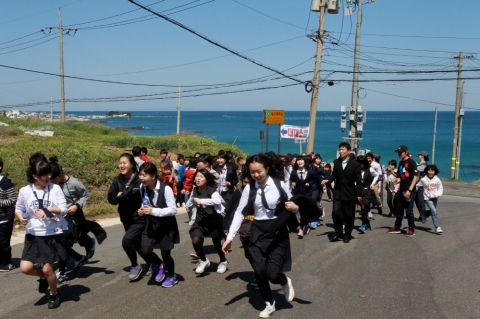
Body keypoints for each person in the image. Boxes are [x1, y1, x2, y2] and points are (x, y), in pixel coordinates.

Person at [222, 154, 297, 318]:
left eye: (259, 171)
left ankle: (284, 281)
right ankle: (269, 304)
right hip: (257, 230)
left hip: (277, 231)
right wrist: (229, 238)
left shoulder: (280, 185)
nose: (256, 175)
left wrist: (294, 207)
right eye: (252, 172)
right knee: (260, 271)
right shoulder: (250, 188)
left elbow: (292, 204)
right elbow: (239, 213)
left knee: (273, 275)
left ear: (267, 168)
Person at [15, 153, 68, 309]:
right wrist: (20, 217)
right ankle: (44, 278)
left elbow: (64, 210)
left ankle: (54, 294)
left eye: (49, 174)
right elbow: (19, 208)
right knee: (25, 268)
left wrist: (50, 209)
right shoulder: (25, 191)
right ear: (34, 176)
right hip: (33, 234)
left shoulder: (55, 188)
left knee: (48, 269)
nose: (48, 177)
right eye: (44, 175)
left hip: (51, 233)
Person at [49, 157, 107, 282]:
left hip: (74, 215)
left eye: (54, 179)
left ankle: (83, 249)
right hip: (60, 216)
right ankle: (69, 266)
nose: (53, 182)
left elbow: (86, 195)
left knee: (64, 242)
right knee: (61, 243)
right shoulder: (53, 185)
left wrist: (76, 205)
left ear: (60, 174)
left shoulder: (74, 183)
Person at [138, 162, 180, 287]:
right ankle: (160, 265)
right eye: (140, 175)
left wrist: (154, 211)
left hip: (166, 225)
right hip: (151, 224)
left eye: (144, 175)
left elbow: (173, 210)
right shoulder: (142, 187)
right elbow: (145, 202)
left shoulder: (165, 188)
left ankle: (172, 276)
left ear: (153, 176)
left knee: (166, 254)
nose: (141, 178)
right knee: (145, 250)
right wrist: (142, 210)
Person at [108, 153, 147, 280]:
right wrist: (118, 197)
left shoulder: (139, 180)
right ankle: (152, 262)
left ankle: (135, 265)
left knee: (127, 242)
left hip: (139, 217)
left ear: (132, 164)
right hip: (125, 217)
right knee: (136, 243)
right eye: (120, 163)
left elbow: (145, 196)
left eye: (124, 163)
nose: (121, 165)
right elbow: (111, 199)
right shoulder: (117, 180)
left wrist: (124, 195)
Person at [187, 169, 228, 274]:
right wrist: (188, 206)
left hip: (214, 221)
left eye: (201, 176)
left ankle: (223, 261)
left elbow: (217, 201)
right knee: (195, 240)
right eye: (197, 176)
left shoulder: (211, 190)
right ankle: (204, 260)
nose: (198, 178)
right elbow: (192, 199)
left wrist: (202, 201)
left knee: (217, 244)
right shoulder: (195, 189)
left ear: (207, 179)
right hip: (200, 221)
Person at [322, 142, 362, 243]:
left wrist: (359, 194)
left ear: (348, 151)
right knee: (335, 212)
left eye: (343, 149)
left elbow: (358, 180)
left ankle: (347, 234)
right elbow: (334, 175)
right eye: (340, 149)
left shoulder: (355, 164)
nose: (340, 151)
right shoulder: (336, 162)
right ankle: (338, 232)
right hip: (338, 191)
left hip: (349, 192)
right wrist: (328, 180)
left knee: (349, 215)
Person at [387, 145, 418, 237]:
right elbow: (398, 175)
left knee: (408, 210)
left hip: (409, 190)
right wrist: (391, 171)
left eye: (401, 152)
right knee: (399, 209)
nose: (399, 154)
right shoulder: (401, 163)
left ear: (406, 152)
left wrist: (409, 190)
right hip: (401, 189)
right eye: (398, 152)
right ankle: (397, 227)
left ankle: (411, 229)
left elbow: (415, 177)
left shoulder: (411, 162)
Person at [0, 157, 17, 272]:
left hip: (5, 218)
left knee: (3, 241)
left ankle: (7, 263)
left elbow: (12, 199)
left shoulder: (6, 183)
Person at [418, 164, 443, 233]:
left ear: (435, 172)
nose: (430, 172)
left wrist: (437, 194)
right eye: (429, 170)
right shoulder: (423, 179)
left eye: (432, 170)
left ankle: (425, 214)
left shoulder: (437, 180)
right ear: (426, 171)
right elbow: (417, 186)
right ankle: (437, 227)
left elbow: (440, 188)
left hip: (435, 197)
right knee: (434, 212)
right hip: (427, 198)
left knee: (433, 211)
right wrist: (411, 192)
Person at [356, 156, 376, 233]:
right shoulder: (356, 170)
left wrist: (373, 184)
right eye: (359, 164)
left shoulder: (370, 169)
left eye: (362, 164)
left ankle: (363, 224)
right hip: (358, 191)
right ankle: (366, 222)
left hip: (367, 191)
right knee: (362, 206)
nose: (361, 165)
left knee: (364, 206)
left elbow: (377, 175)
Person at [415, 151, 429, 222]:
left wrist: (413, 164)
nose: (418, 156)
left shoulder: (424, 165)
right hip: (417, 184)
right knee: (417, 200)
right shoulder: (420, 164)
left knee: (421, 201)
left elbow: (419, 169)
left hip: (422, 185)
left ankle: (423, 215)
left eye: (419, 155)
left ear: (422, 156)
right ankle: (421, 214)